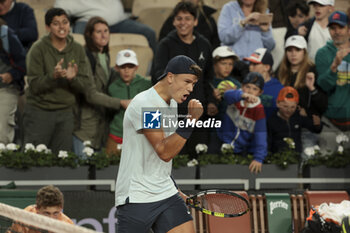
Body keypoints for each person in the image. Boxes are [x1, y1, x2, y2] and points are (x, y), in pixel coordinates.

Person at [115, 55, 203, 233]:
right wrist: (190, 121)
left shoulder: (171, 103)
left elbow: (161, 154)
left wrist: (175, 189)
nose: (190, 88)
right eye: (187, 81)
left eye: (193, 84)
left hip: (165, 193)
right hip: (137, 197)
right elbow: (164, 151)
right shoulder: (147, 105)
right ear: (170, 77)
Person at [23, 8, 121, 154]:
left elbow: (86, 86)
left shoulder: (77, 49)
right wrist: (53, 77)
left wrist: (73, 79)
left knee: (63, 164)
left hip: (66, 113)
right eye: (56, 23)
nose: (62, 27)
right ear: (48, 27)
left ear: (70, 25)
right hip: (40, 111)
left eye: (65, 22)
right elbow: (35, 86)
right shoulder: (37, 49)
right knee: (34, 160)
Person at [152, 1, 217, 159]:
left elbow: (208, 77)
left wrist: (211, 101)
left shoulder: (204, 44)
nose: (183, 23)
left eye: (187, 19)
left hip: (198, 113)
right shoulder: (165, 45)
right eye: (179, 19)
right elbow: (158, 75)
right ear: (174, 21)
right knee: (174, 157)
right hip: (172, 113)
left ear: (195, 21)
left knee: (199, 158)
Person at [73, 16, 131, 158]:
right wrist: (120, 102)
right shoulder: (85, 57)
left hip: (101, 126)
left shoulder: (104, 55)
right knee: (83, 170)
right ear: (89, 35)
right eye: (98, 32)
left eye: (106, 31)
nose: (104, 35)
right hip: (85, 126)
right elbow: (91, 94)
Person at [278, 35, 327, 156]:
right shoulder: (280, 72)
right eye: (290, 50)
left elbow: (323, 104)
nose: (293, 54)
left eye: (297, 50)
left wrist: (312, 89)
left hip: (307, 128)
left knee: (306, 165)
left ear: (304, 52)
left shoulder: (314, 71)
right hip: (284, 127)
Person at [53, 0, 157, 53]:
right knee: (79, 42)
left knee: (149, 33)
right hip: (88, 22)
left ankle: (155, 75)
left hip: (119, 21)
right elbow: (57, 12)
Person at [218, 72, 267, 174]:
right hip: (221, 142)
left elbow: (261, 135)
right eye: (247, 87)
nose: (250, 91)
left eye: (255, 89)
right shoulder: (235, 97)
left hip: (241, 149)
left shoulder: (259, 109)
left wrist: (258, 158)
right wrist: (242, 95)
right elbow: (227, 95)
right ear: (242, 86)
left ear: (260, 92)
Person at [315, 11, 350, 154]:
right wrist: (334, 65)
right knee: (325, 170)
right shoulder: (323, 53)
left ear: (348, 28)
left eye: (340, 27)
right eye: (332, 28)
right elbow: (323, 85)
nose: (337, 32)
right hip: (331, 122)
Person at [106, 49, 152, 156]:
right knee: (111, 169)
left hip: (140, 136)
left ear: (136, 67)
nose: (126, 71)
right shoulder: (112, 88)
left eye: (130, 66)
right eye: (123, 67)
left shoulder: (147, 85)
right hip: (116, 135)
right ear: (116, 68)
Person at [267, 86, 322, 154]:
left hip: (296, 156)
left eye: (293, 107)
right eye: (285, 106)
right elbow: (267, 142)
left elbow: (315, 129)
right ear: (278, 104)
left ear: (297, 106)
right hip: (278, 159)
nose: (289, 110)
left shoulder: (298, 116)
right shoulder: (271, 120)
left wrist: (317, 124)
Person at [0, 18, 26, 145]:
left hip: (5, 88)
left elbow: (24, 63)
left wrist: (11, 74)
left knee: (1, 135)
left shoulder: (5, 34)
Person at [210, 45, 240, 153]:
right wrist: (211, 99)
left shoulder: (236, 84)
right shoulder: (207, 82)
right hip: (211, 128)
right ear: (214, 64)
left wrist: (236, 94)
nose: (228, 67)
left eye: (230, 64)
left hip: (230, 129)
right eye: (223, 63)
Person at [8, 185, 73, 233]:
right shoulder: (24, 218)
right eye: (46, 213)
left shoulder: (67, 226)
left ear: (61, 209)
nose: (51, 218)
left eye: (55, 213)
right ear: (37, 209)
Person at [244, 48, 283, 119]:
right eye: (250, 63)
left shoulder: (279, 89)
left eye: (254, 64)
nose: (250, 67)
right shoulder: (245, 84)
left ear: (267, 67)